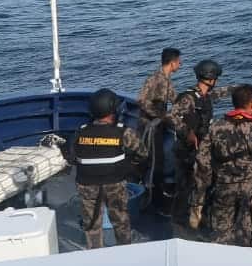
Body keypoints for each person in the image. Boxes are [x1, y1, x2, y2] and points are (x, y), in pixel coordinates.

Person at [190, 83, 252, 244]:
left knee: (220, 232)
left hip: (224, 188)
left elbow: (202, 161)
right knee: (250, 231)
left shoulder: (216, 128)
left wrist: (201, 192)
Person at [66, 89, 146, 249]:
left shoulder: (80, 132)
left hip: (87, 185)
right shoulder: (123, 132)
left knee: (92, 224)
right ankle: (125, 250)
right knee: (120, 221)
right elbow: (143, 153)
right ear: (112, 111)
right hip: (114, 184)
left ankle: (96, 255)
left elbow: (72, 157)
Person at [168, 59, 234, 231]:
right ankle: (179, 223)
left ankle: (195, 219)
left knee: (200, 184)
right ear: (211, 79)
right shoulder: (188, 98)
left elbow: (219, 94)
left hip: (200, 150)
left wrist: (240, 90)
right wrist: (186, 132)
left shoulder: (204, 97)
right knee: (185, 187)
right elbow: (172, 117)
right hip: (186, 150)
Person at [136, 47, 180, 214]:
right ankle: (154, 197)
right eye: (178, 61)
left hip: (159, 124)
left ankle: (160, 189)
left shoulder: (167, 81)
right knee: (156, 161)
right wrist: (159, 115)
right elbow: (141, 101)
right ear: (172, 62)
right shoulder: (154, 79)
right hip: (150, 126)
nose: (180, 64)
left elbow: (176, 100)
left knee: (161, 157)